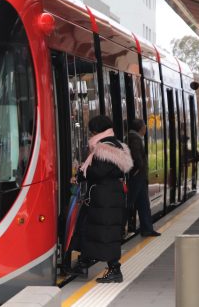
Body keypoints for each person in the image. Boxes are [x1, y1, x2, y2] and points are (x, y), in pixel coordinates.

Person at [70, 115, 133, 283]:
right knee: (90, 230)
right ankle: (83, 262)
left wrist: (82, 172)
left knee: (105, 233)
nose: (91, 134)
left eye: (92, 131)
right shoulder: (116, 145)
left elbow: (98, 172)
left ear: (97, 130)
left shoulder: (104, 148)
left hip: (104, 198)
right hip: (109, 196)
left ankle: (114, 270)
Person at [127, 119, 160, 237]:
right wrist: (138, 169)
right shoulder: (135, 139)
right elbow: (136, 157)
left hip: (139, 175)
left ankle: (147, 229)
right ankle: (121, 227)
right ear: (141, 128)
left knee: (143, 203)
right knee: (131, 203)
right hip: (137, 176)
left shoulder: (133, 137)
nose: (146, 128)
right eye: (145, 126)